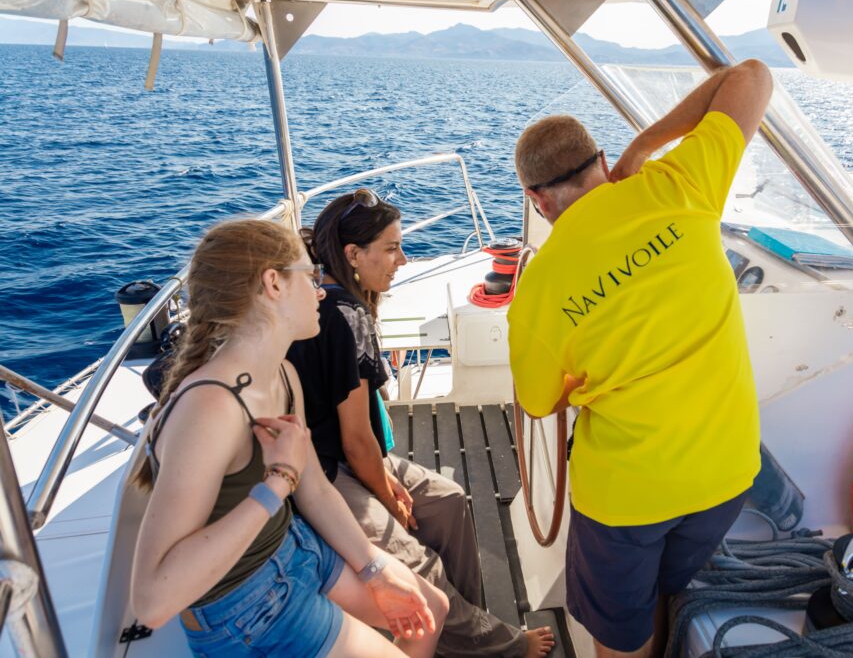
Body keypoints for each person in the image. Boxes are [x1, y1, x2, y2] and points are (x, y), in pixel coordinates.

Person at [507, 59, 774, 658]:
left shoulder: (538, 290)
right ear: (602, 162)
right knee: (668, 589)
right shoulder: (680, 184)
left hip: (627, 500)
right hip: (727, 476)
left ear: (536, 199)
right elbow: (753, 76)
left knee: (621, 635)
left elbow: (539, 400)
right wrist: (644, 148)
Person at [130, 219, 449, 658]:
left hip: (293, 546)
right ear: (273, 284)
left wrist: (375, 568)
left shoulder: (283, 373)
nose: (320, 290)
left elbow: (315, 490)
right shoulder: (210, 409)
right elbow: (151, 601)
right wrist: (278, 481)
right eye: (311, 275)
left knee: (429, 610)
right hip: (242, 607)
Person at [287, 190, 556, 658]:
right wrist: (389, 495)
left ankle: (464, 626)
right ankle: (496, 646)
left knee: (448, 500)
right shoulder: (345, 316)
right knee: (422, 565)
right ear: (353, 254)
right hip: (327, 473)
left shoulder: (330, 299)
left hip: (346, 458)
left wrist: (388, 481)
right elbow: (356, 442)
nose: (403, 260)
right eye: (391, 248)